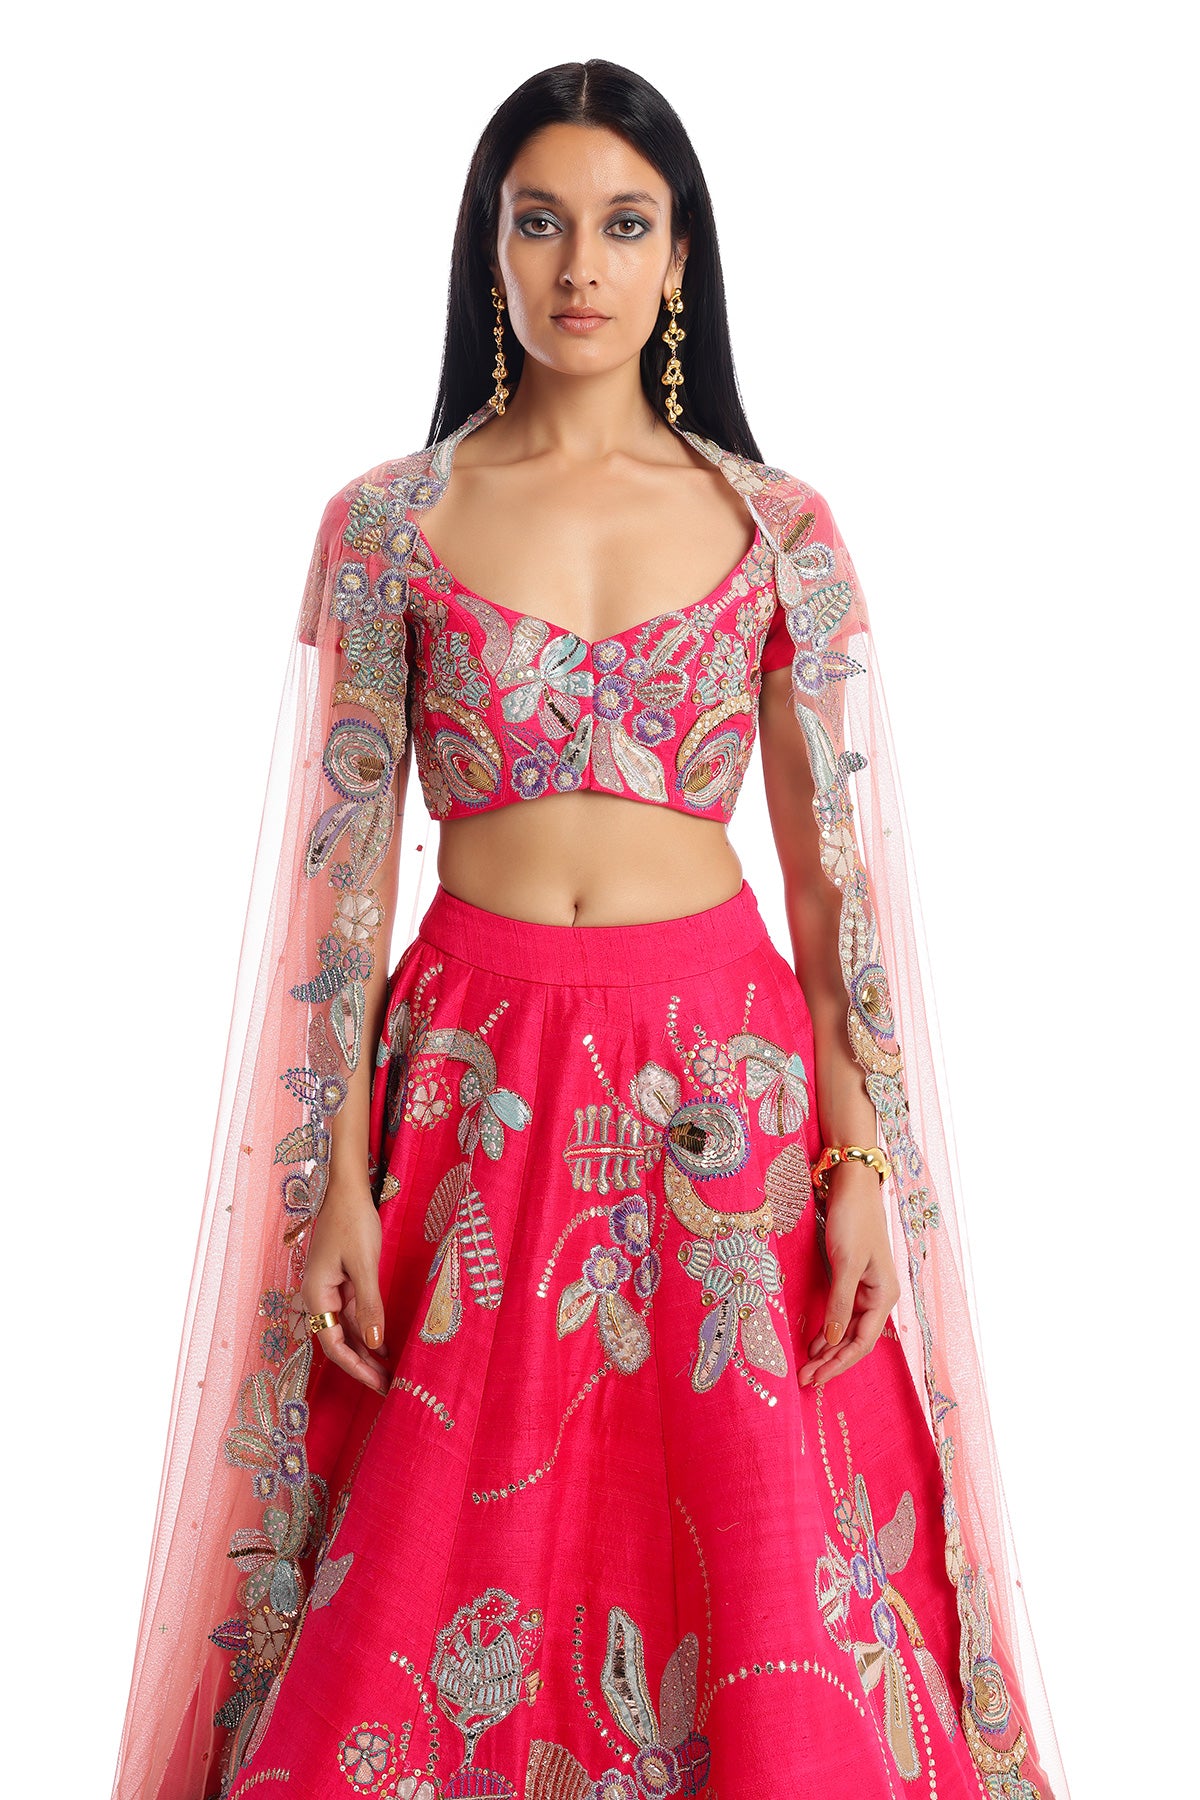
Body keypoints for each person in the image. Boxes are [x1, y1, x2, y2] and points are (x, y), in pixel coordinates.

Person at [113, 58, 1069, 1800]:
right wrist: (331, 1186)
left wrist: (861, 1167)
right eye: (540, 222)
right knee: (419, 1556)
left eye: (626, 225)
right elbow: (341, 889)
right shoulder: (385, 525)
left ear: (681, 257)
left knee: (760, 1554)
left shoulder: (779, 532)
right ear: (487, 248)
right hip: (468, 1087)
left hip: (721, 1100)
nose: (581, 266)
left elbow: (832, 886)